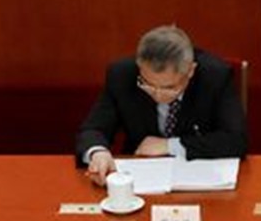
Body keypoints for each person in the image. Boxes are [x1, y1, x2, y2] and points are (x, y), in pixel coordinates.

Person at [76, 25, 248, 186]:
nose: (158, 95)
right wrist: (97, 152)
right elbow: (93, 129)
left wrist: (170, 145)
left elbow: (236, 140)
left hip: (201, 181)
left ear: (191, 71)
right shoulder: (122, 75)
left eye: (170, 88)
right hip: (140, 179)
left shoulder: (215, 76)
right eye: (148, 85)